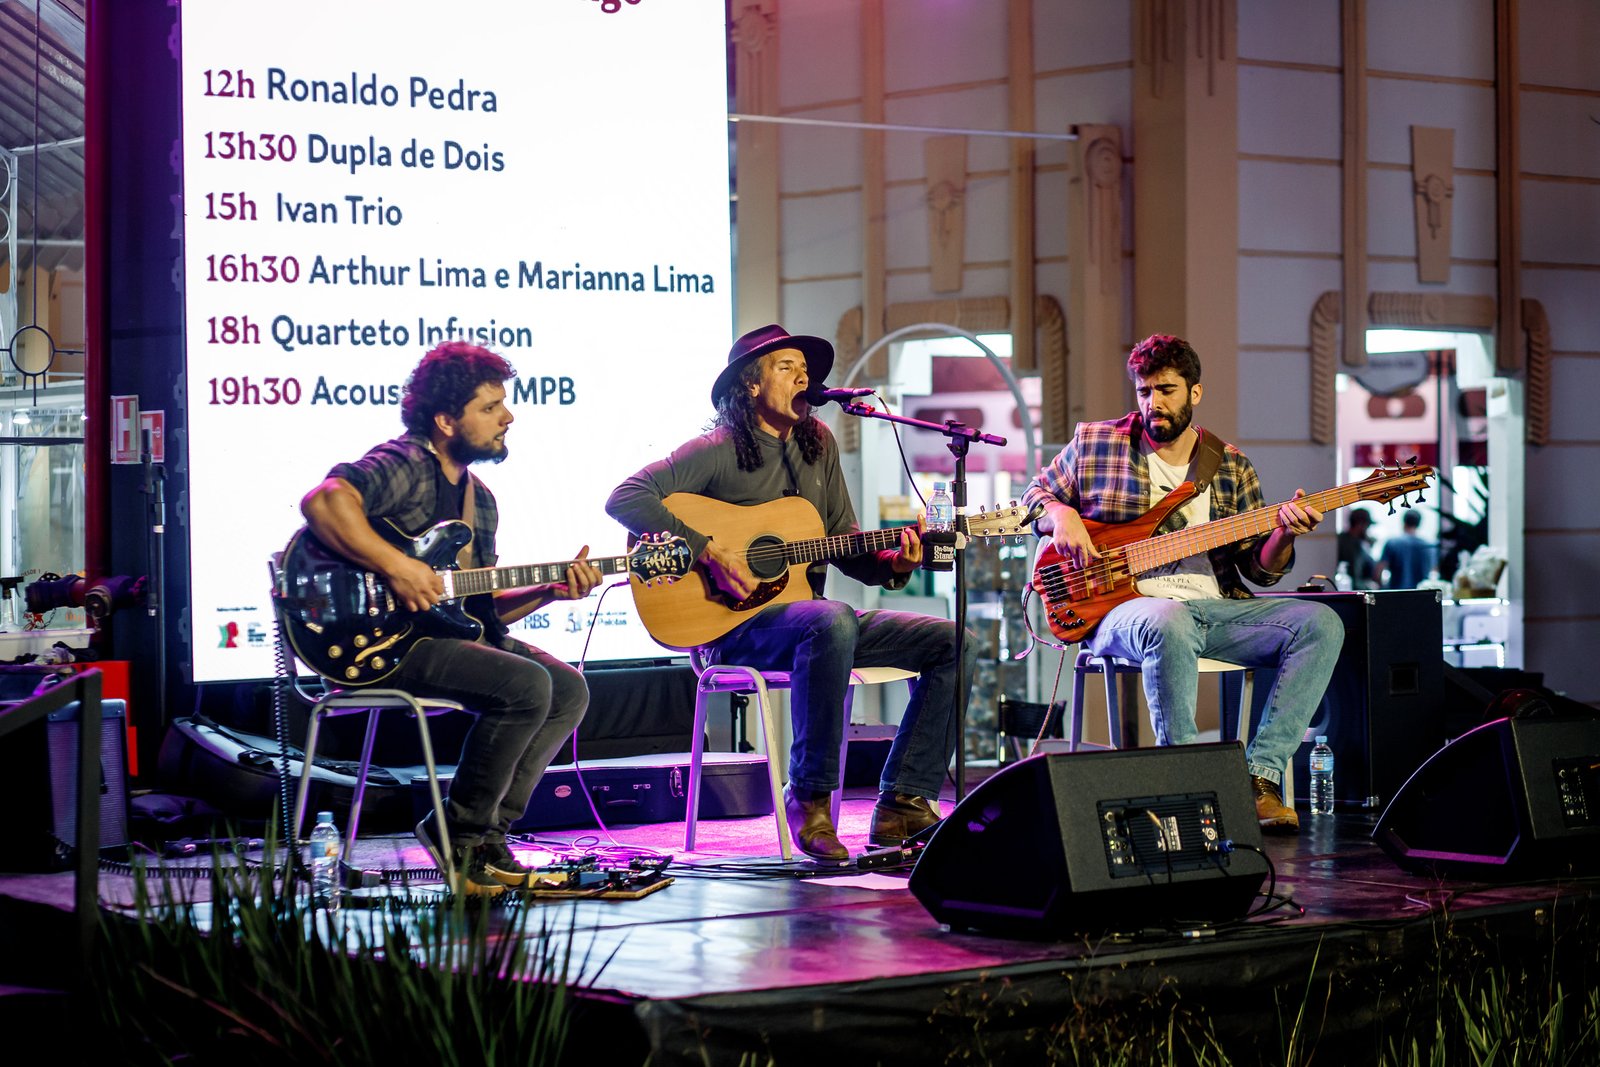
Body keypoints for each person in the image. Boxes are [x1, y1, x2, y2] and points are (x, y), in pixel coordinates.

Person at [605, 324, 975, 861]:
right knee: (831, 618)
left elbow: (844, 539)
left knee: (952, 641)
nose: (804, 375)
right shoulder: (717, 448)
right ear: (750, 386)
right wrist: (709, 551)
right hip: (729, 630)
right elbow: (627, 495)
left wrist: (893, 559)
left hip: (818, 628)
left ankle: (903, 800)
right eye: (787, 366)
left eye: (807, 368)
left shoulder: (817, 444)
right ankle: (809, 796)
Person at [300, 342, 601, 895]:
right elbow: (324, 500)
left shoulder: (480, 500)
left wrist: (548, 593)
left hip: (439, 638)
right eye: (490, 407)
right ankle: (458, 836)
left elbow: (478, 611)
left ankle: (487, 837)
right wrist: (395, 565)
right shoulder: (407, 464)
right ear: (445, 420)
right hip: (377, 644)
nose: (507, 417)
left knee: (566, 689)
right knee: (526, 684)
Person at [1021, 334, 1343, 833]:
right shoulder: (1096, 443)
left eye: (1167, 390)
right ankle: (1187, 783)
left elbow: (1258, 571)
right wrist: (1059, 511)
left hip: (1213, 610)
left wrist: (1282, 532)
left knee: (1321, 622)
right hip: (1119, 612)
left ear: (1195, 392)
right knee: (1168, 618)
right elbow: (1033, 496)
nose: (1154, 403)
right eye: (1145, 392)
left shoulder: (1230, 465)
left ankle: (1260, 781)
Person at [1380, 509, 1437, 590]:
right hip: (1421, 595)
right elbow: (1434, 572)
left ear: (1404, 521)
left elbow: (1379, 571)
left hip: (1397, 595)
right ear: (1419, 523)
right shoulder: (1429, 546)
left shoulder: (1392, 543)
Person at [1336, 507, 1381, 590]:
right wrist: (1369, 587)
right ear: (1360, 524)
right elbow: (1355, 579)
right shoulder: (1352, 545)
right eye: (1367, 526)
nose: (1367, 530)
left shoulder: (1342, 539)